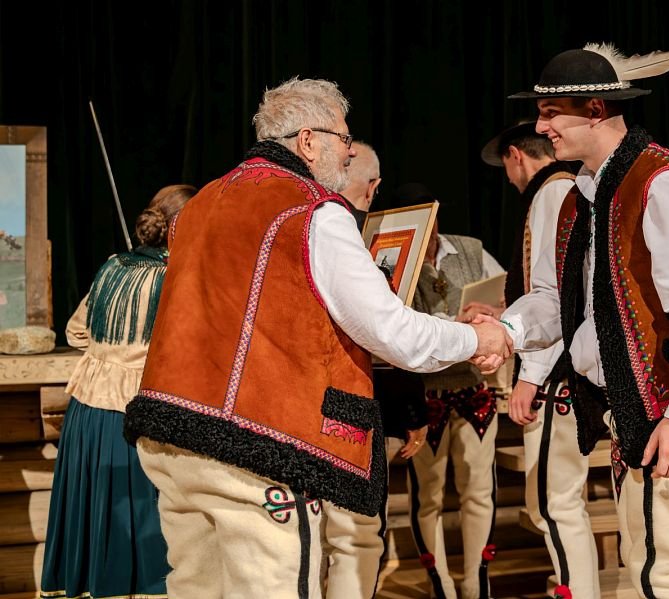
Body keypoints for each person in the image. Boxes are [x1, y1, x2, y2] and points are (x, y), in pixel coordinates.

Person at [123, 78, 511, 599]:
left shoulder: (204, 201)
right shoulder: (313, 210)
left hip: (172, 434)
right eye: (344, 138)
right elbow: (391, 331)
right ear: (308, 141)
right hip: (257, 446)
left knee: (196, 589)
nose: (349, 151)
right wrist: (475, 338)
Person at [497, 44, 669, 598]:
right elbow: (558, 300)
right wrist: (503, 332)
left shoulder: (662, 183)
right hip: (635, 410)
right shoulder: (583, 196)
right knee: (643, 566)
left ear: (596, 110)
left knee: (668, 576)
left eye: (551, 113)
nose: (541, 127)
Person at [40, 184, 197, 599]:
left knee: (94, 511)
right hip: (133, 413)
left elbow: (76, 331)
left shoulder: (112, 265)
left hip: (86, 412)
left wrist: (110, 351)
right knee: (139, 520)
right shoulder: (175, 277)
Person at [480, 121, 602, 597]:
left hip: (557, 371)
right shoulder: (563, 189)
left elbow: (558, 294)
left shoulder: (552, 192)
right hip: (560, 364)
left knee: (555, 501)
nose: (510, 179)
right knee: (552, 501)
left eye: (507, 167)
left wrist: (530, 376)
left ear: (516, 155)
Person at [322, 140, 428, 599]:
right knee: (358, 536)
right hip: (353, 406)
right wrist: (413, 412)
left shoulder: (304, 222)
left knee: (323, 538)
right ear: (373, 187)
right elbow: (388, 334)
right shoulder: (349, 234)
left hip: (301, 408)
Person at [396, 182, 505, 599]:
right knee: (429, 496)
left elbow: (506, 295)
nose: (430, 229)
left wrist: (495, 313)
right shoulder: (394, 261)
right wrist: (455, 324)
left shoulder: (469, 249)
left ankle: (477, 584)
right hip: (427, 394)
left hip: (473, 387)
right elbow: (396, 325)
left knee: (479, 490)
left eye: (433, 217)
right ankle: (441, 586)